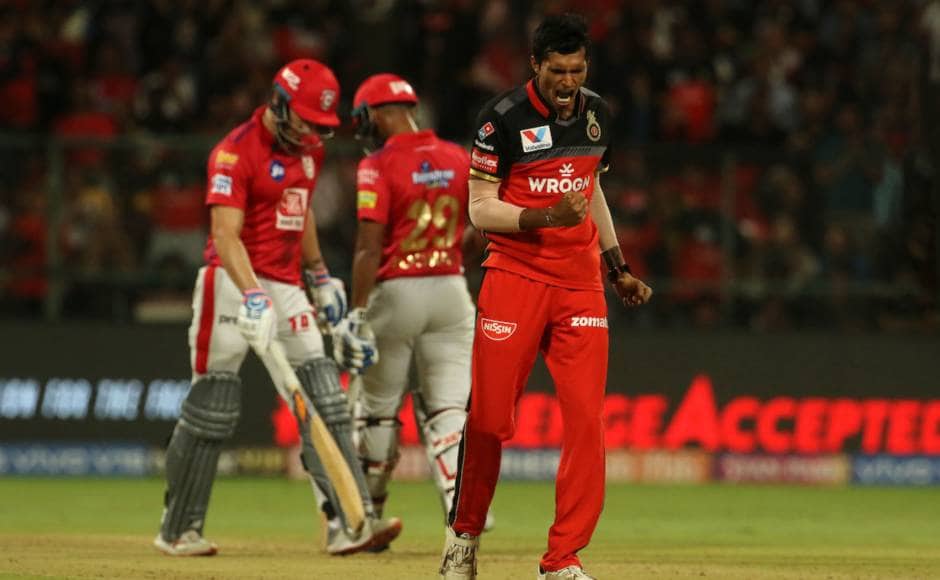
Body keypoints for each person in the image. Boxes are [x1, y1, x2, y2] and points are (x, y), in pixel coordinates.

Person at [153, 59, 401, 557]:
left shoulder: (307, 150)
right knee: (212, 408)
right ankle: (178, 529)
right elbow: (225, 236)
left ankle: (348, 524)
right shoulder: (233, 153)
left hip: (287, 285)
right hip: (228, 280)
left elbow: (299, 209)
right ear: (279, 104)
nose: (313, 132)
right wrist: (250, 293)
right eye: (306, 119)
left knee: (326, 400)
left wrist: (319, 275)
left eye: (320, 124)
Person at [438, 14, 652, 580]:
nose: (567, 81)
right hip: (515, 275)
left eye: (577, 70)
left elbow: (592, 189)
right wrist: (542, 216)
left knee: (586, 422)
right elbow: (479, 209)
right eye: (557, 70)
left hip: (580, 283)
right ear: (535, 65)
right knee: (487, 420)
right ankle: (463, 535)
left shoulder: (597, 113)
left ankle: (562, 558)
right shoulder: (500, 120)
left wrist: (617, 266)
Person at [331, 73, 477, 539]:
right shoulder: (459, 157)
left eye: (364, 118)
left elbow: (367, 248)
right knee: (450, 408)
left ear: (377, 113)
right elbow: (484, 228)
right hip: (451, 289)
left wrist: (355, 312)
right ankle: (465, 510)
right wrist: (453, 258)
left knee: (376, 408)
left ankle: (367, 516)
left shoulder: (377, 165)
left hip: (396, 291)